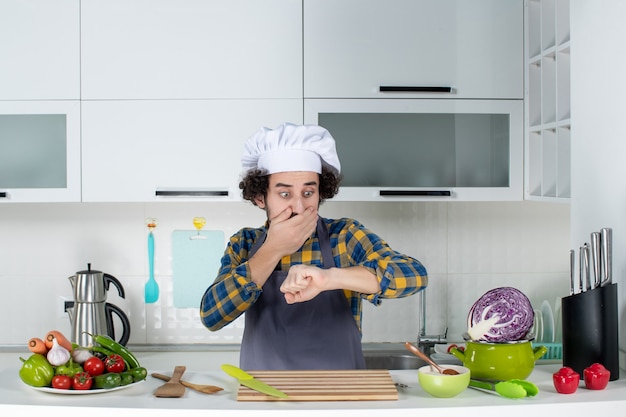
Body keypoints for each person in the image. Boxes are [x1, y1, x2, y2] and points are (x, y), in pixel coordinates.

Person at [200, 123, 428, 370]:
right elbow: (212, 316)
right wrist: (273, 248)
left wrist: (330, 278)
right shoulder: (244, 244)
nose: (299, 207)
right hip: (265, 398)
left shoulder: (344, 236)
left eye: (308, 193)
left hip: (340, 396)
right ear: (260, 197)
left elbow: (414, 275)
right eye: (285, 194)